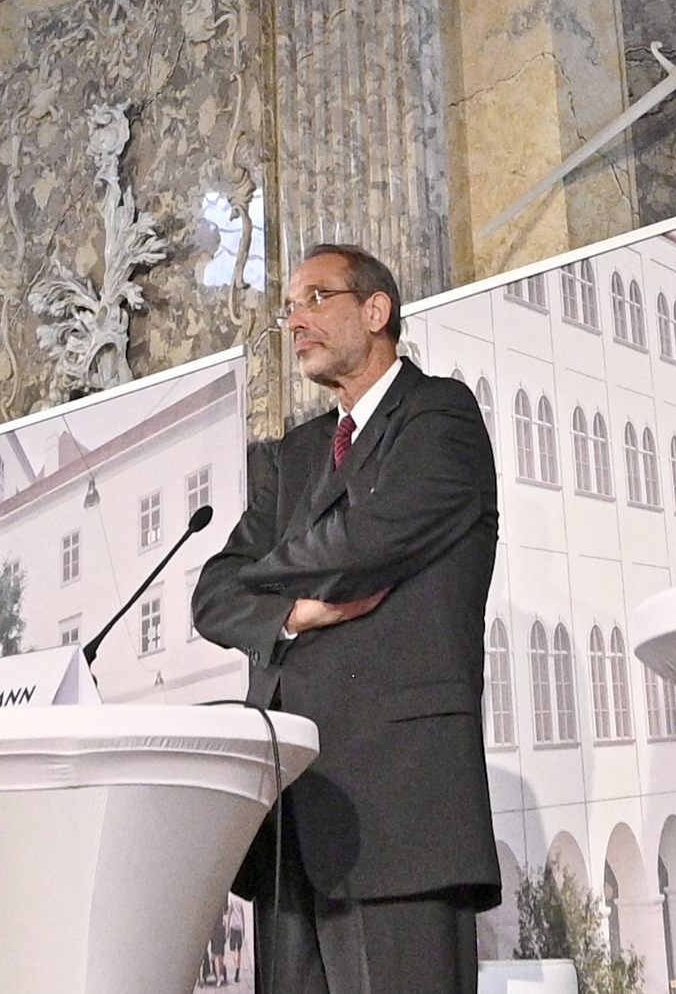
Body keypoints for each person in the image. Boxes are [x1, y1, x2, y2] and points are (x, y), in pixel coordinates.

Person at [192, 242, 500, 994]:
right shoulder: (294, 454)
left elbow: (370, 541)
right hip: (292, 810)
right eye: (288, 309)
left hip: (398, 804)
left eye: (315, 299)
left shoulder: (440, 415)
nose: (295, 321)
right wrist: (292, 614)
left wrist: (262, 578)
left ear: (375, 310)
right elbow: (213, 595)